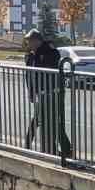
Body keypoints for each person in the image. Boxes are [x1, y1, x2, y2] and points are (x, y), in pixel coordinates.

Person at [23, 27, 70, 157]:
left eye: (30, 41)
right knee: (41, 120)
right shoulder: (31, 56)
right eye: (27, 42)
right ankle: (56, 150)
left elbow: (51, 66)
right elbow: (30, 76)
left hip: (52, 94)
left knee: (53, 122)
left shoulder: (49, 51)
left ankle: (60, 150)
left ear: (37, 41)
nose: (29, 44)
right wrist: (31, 92)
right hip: (40, 95)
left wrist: (40, 54)